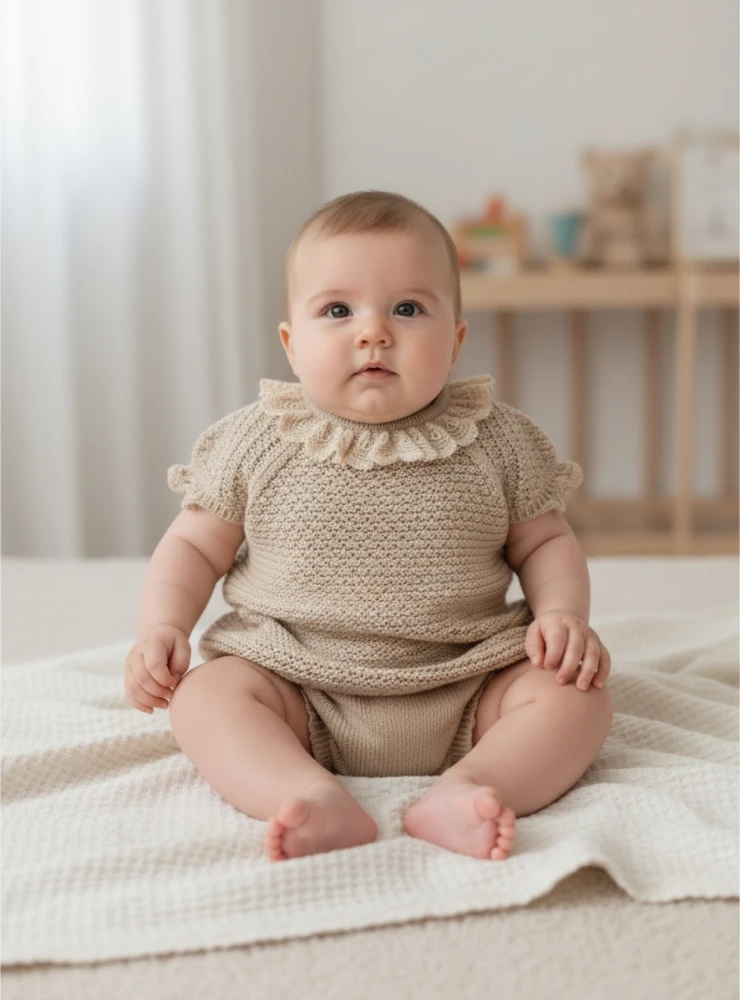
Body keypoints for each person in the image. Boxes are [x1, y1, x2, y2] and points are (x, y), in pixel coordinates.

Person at [124, 190, 613, 863]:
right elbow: (191, 546)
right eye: (337, 311)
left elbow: (547, 541)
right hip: (296, 688)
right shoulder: (257, 441)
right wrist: (163, 627)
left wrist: (562, 616)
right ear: (292, 346)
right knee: (205, 697)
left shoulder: (498, 441)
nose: (373, 333)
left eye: (407, 309)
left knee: (577, 697)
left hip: (469, 683)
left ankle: (473, 788)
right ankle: (303, 791)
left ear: (456, 341)